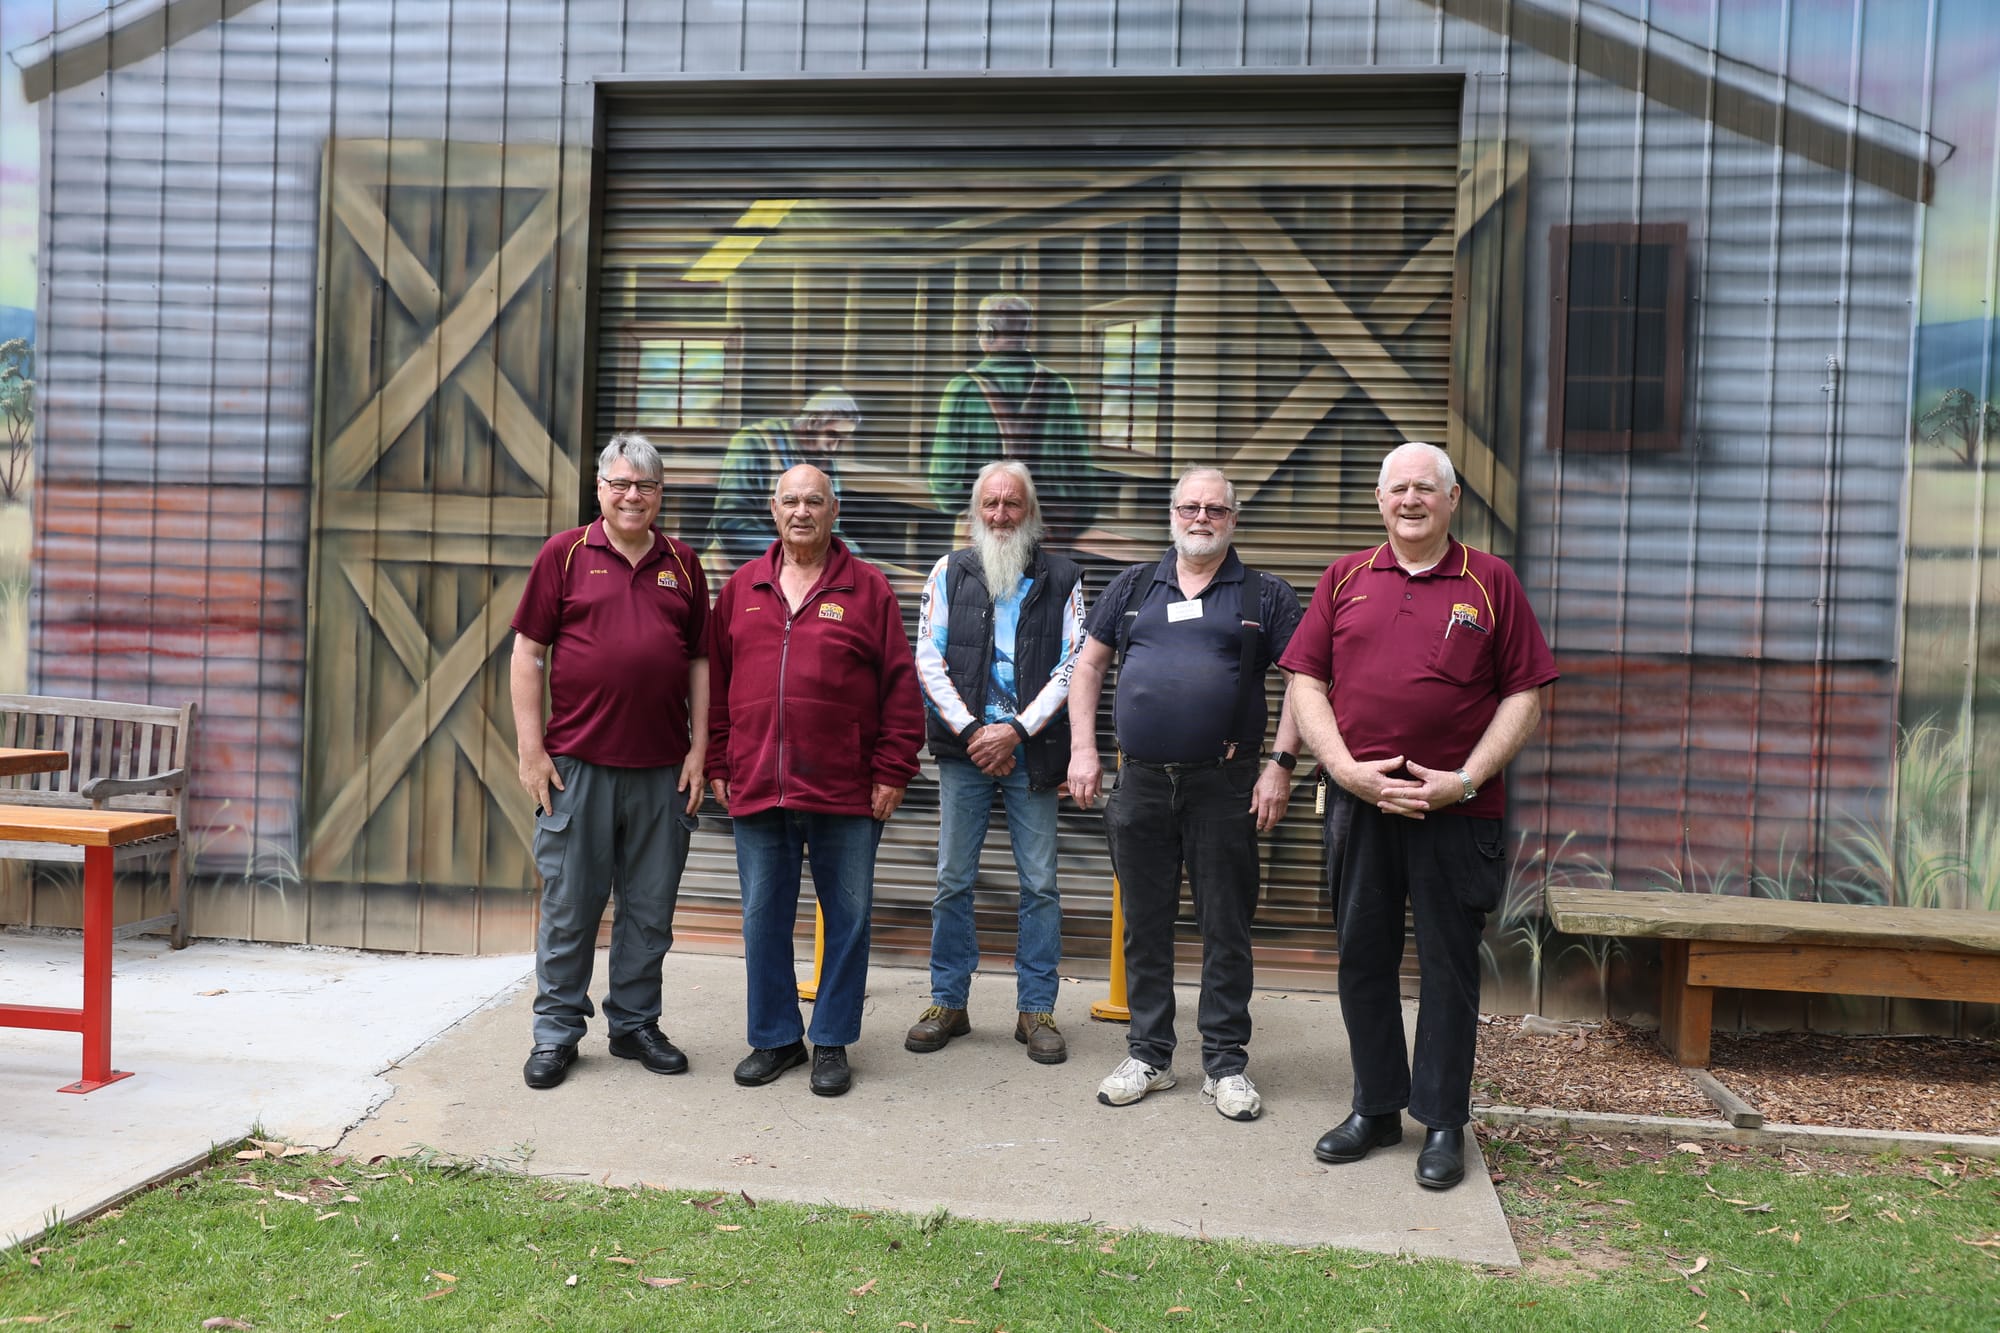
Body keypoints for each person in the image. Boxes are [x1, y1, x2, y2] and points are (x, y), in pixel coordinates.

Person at [1282, 440, 1557, 1190]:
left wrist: (1462, 780)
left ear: (1451, 498)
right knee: (1361, 957)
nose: (1410, 500)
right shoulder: (1344, 577)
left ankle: (1442, 1121)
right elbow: (1306, 680)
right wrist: (1343, 770)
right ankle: (1374, 1108)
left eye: (1424, 489)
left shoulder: (1491, 581)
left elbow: (1525, 695)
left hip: (1455, 810)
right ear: (1380, 500)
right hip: (1359, 802)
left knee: (1448, 967)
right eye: (1397, 488)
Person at [1066, 466, 1302, 1122]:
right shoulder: (1135, 584)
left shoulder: (1265, 594)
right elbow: (1088, 663)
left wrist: (1279, 765)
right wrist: (1083, 748)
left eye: (1215, 509)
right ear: (1172, 512)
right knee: (1144, 924)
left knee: (1225, 924)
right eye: (1189, 506)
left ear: (1234, 518)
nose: (1201, 518)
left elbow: (1306, 680)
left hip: (1224, 783)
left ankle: (1225, 1064)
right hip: (1140, 780)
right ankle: (1150, 1055)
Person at [706, 463, 925, 1097]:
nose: (801, 512)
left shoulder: (869, 589)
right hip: (758, 785)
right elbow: (718, 686)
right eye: (790, 502)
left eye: (814, 502)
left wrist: (892, 770)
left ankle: (831, 1041)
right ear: (774, 511)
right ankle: (775, 1039)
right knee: (761, 919)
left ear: (834, 512)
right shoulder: (742, 587)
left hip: (846, 790)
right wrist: (719, 759)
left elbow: (900, 691)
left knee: (848, 919)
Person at [510, 433, 709, 1090]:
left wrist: (700, 748)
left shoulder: (683, 563)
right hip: (576, 767)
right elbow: (527, 653)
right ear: (600, 489)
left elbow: (701, 663)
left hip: (660, 770)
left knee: (650, 908)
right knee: (570, 904)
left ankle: (635, 1023)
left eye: (646, 486)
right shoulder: (564, 554)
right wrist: (531, 750)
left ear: (659, 495)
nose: (632, 495)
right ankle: (556, 1031)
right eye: (621, 483)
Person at [907, 461, 1085, 1064]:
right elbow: (928, 658)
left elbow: (1073, 664)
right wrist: (975, 731)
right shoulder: (948, 570)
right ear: (975, 511)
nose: (1001, 515)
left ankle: (1036, 1009)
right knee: (951, 879)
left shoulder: (1063, 576)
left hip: (1031, 751)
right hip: (965, 754)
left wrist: (1014, 729)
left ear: (1029, 512)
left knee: (1040, 885)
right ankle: (948, 1003)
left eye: (1013, 504)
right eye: (991, 504)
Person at [928, 294, 1095, 544]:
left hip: (980, 536)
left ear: (991, 331)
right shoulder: (1059, 387)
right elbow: (1082, 480)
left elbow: (946, 488)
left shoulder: (962, 389)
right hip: (1048, 538)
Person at [712, 388, 863, 567]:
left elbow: (830, 529)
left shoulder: (825, 461)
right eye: (832, 435)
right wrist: (789, 557)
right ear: (813, 422)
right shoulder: (755, 442)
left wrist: (857, 559)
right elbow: (731, 521)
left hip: (801, 573)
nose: (836, 446)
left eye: (843, 439)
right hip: (734, 571)